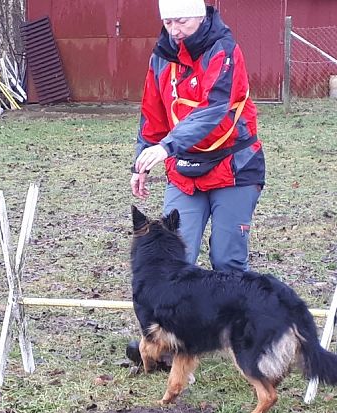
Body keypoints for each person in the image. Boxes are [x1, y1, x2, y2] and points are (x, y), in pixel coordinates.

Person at [126, 0, 266, 368]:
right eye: (168, 21)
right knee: (173, 259)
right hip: (184, 171)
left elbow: (214, 109)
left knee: (226, 259)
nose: (174, 29)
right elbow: (152, 114)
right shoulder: (161, 58)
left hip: (234, 169)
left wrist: (166, 146)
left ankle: (241, 336)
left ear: (201, 15)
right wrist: (142, 161)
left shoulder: (224, 51)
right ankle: (170, 340)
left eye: (182, 21)